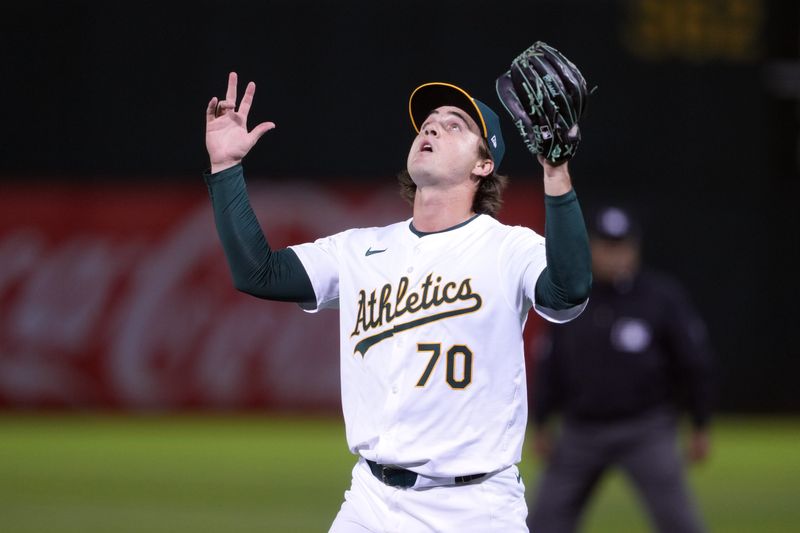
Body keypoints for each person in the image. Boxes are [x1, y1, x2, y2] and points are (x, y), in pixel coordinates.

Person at [203, 72, 592, 532]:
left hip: (473, 507)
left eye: (455, 126)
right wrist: (226, 168)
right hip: (370, 502)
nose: (431, 128)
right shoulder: (360, 249)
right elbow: (258, 273)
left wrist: (555, 171)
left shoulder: (508, 248)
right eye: (428, 122)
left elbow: (568, 292)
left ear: (483, 164)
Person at [527, 205, 716, 533]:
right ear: (592, 247)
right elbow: (551, 363)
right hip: (580, 431)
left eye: (621, 246)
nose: (614, 255)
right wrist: (541, 420)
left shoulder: (661, 297)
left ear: (634, 248)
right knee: (543, 522)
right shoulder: (573, 297)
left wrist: (700, 423)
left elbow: (693, 361)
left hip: (646, 428)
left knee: (680, 523)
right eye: (606, 245)